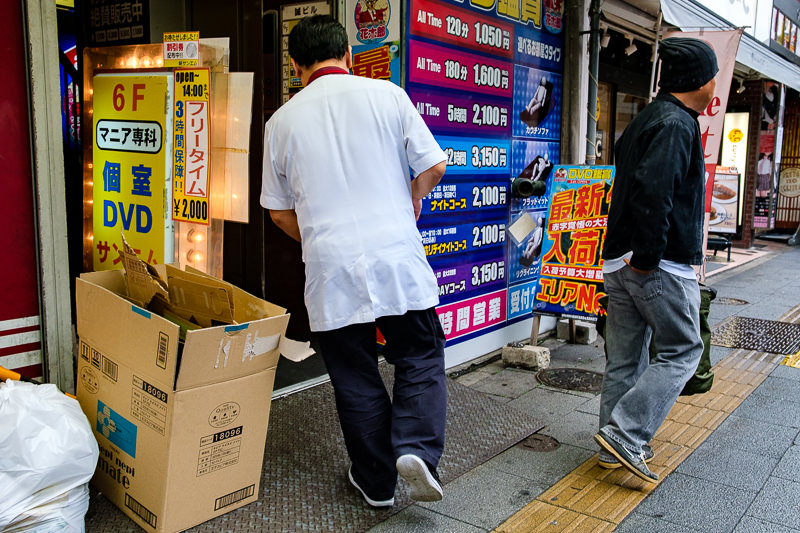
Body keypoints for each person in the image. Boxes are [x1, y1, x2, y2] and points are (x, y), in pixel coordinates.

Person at [260, 15, 448, 507]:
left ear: (296, 65)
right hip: (396, 260)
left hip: (330, 271)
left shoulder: (280, 123)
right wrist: (412, 200)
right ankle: (416, 449)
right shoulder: (388, 95)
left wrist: (320, 238)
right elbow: (433, 164)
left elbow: (278, 212)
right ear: (346, 54)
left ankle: (376, 482)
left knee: (354, 374)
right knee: (420, 355)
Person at [595, 37, 718, 484]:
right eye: (712, 75)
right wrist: (648, 256)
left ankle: (612, 445)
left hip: (619, 261)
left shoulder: (649, 118)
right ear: (696, 81)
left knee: (625, 360)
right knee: (684, 350)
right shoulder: (676, 123)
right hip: (656, 263)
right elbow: (654, 191)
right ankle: (628, 435)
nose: (714, 84)